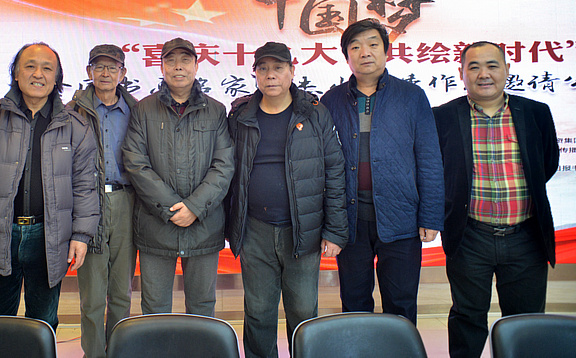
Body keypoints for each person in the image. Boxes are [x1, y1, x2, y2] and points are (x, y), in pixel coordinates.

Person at [0, 42, 98, 330]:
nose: (38, 74)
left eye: (47, 68)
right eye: (30, 66)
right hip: (0, 233)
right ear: (16, 73)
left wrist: (81, 236)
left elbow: (85, 186)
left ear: (57, 78)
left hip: (50, 236)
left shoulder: (76, 126)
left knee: (43, 323)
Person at [433, 41, 558, 358]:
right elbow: (436, 171)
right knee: (467, 318)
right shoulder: (442, 117)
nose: (483, 74)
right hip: (469, 236)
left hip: (526, 236)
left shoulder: (535, 113)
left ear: (506, 69)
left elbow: (547, 163)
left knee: (525, 322)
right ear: (461, 73)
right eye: (473, 67)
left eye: (492, 65)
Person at [226, 42, 348, 358]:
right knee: (258, 311)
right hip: (255, 229)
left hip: (303, 230)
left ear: (292, 71)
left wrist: (335, 231)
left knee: (304, 311)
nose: (271, 75)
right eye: (263, 68)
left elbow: (334, 170)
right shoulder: (240, 115)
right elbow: (227, 171)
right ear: (254, 73)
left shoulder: (315, 113)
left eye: (278, 68)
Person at [320, 19, 444, 324]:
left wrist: (430, 216)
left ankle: (399, 347)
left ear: (386, 51)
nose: (365, 52)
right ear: (346, 56)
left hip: (401, 218)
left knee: (401, 304)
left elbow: (429, 158)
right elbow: (321, 165)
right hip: (350, 221)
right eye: (356, 47)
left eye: (373, 44)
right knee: (354, 303)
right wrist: (328, 223)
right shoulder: (331, 100)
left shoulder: (411, 96)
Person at [122, 37, 234, 316]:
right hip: (156, 226)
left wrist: (194, 207)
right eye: (170, 61)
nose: (178, 67)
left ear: (196, 66)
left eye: (185, 60)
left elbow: (224, 165)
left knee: (202, 307)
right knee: (155, 308)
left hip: (203, 226)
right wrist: (171, 208)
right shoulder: (143, 109)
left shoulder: (216, 111)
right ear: (161, 67)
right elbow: (136, 163)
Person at [69, 44, 138, 358]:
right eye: (99, 67)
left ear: (123, 73)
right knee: (93, 295)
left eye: (112, 67)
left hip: (126, 203)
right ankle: (94, 353)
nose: (106, 73)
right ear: (89, 72)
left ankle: (119, 351)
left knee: (122, 292)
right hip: (88, 205)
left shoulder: (137, 111)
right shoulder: (73, 111)